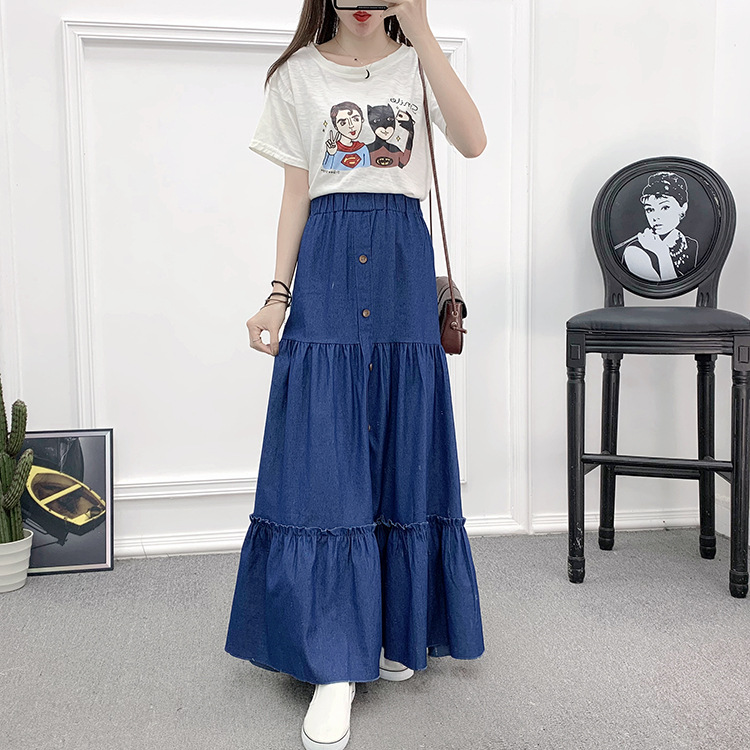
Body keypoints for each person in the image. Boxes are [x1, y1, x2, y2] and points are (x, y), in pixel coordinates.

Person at [224, 2, 486, 748]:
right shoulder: (297, 76)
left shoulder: (419, 63)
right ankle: (334, 663)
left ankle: (394, 629)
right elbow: (295, 194)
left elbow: (473, 142)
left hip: (402, 262)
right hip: (329, 262)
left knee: (402, 445)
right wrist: (278, 294)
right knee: (324, 460)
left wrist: (423, 33)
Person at [620, 171, 700, 282]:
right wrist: (662, 253)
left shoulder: (690, 244)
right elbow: (669, 288)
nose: (655, 217)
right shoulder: (634, 251)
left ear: (683, 207)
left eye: (665, 208)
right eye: (650, 209)